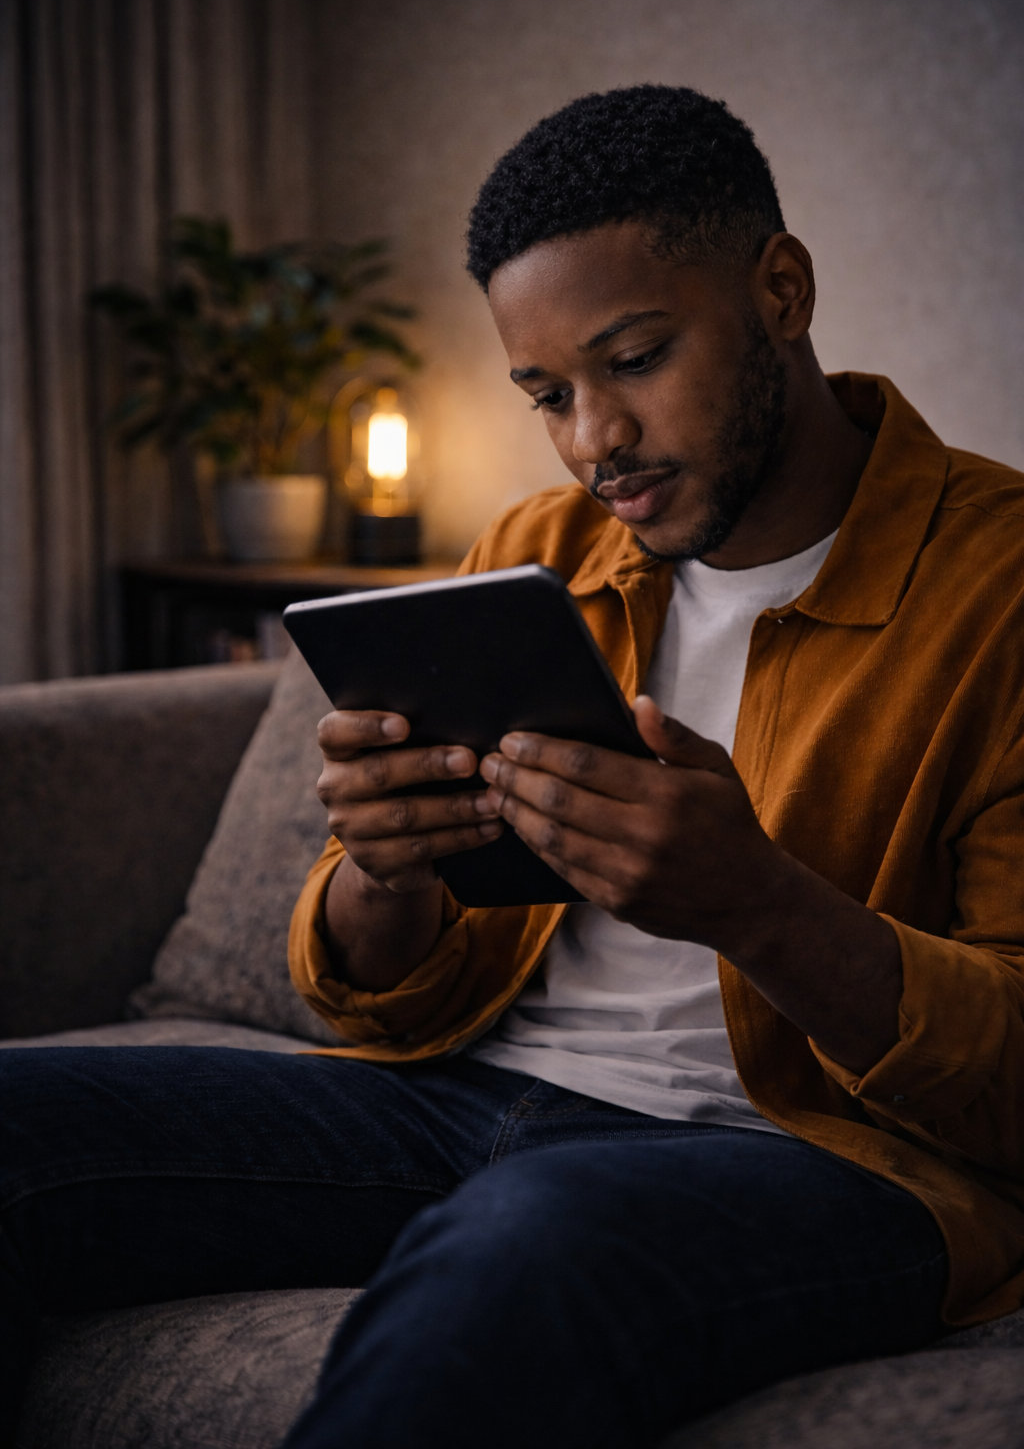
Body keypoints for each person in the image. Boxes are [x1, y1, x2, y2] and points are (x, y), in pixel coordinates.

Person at [3, 86, 1023, 1449]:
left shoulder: (999, 587)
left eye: (637, 359)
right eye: (549, 394)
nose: (594, 441)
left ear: (780, 289)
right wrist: (383, 869)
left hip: (820, 1160)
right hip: (460, 1102)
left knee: (531, 1234)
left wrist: (758, 905)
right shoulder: (537, 553)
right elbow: (371, 990)